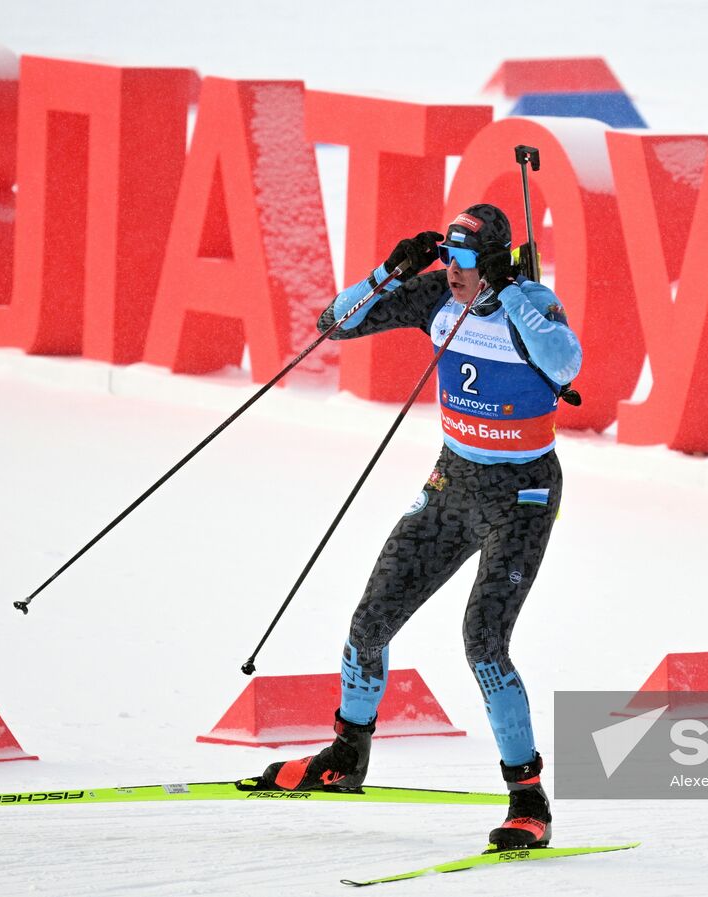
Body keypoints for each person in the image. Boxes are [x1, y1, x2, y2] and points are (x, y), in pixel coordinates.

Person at [240, 204, 582, 850]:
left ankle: (528, 798)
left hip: (522, 496)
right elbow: (332, 324)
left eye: (465, 262)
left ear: (493, 264)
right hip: (454, 484)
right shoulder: (436, 296)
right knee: (370, 621)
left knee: (483, 641)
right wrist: (390, 272)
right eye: (446, 259)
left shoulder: (531, 303)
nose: (451, 272)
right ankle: (346, 754)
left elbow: (564, 365)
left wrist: (511, 292)